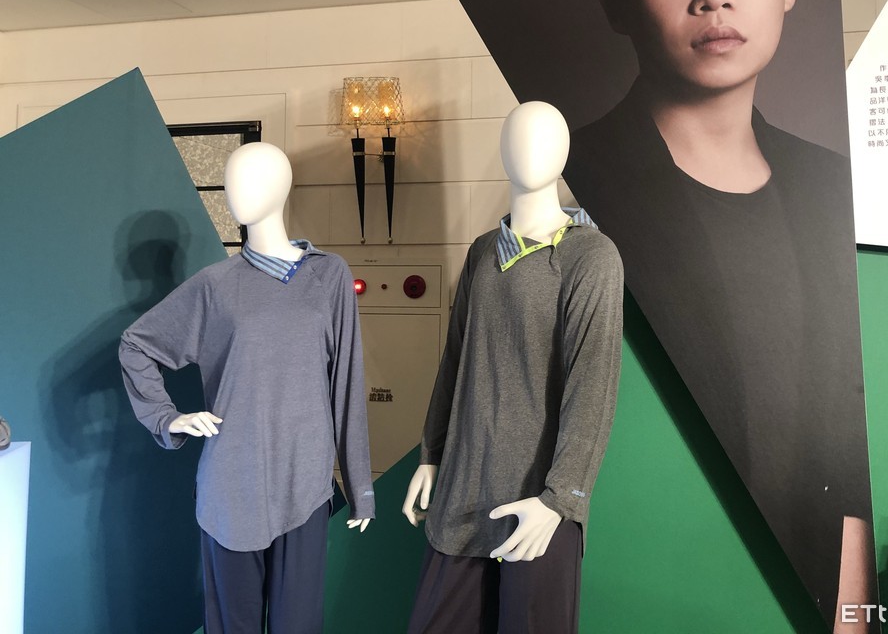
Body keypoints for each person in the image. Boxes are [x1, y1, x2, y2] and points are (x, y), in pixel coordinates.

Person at [561, 0, 874, 630]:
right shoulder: (572, 186)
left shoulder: (837, 186)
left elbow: (851, 422)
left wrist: (853, 604)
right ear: (619, 5)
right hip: (650, 581)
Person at [119, 142, 373, 634]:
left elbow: (347, 382)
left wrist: (360, 485)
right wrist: (168, 417)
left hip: (303, 481)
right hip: (230, 487)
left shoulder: (328, 275)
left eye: (251, 178)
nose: (236, 191)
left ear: (283, 186)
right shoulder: (214, 286)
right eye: (230, 178)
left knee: (297, 625)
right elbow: (137, 345)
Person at [402, 102, 624, 634]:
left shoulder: (590, 256)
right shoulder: (482, 252)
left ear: (565, 154)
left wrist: (562, 497)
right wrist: (431, 454)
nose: (531, 151)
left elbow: (592, 388)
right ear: (501, 150)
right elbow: (456, 359)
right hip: (462, 492)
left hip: (538, 505)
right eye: (519, 138)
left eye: (546, 140)